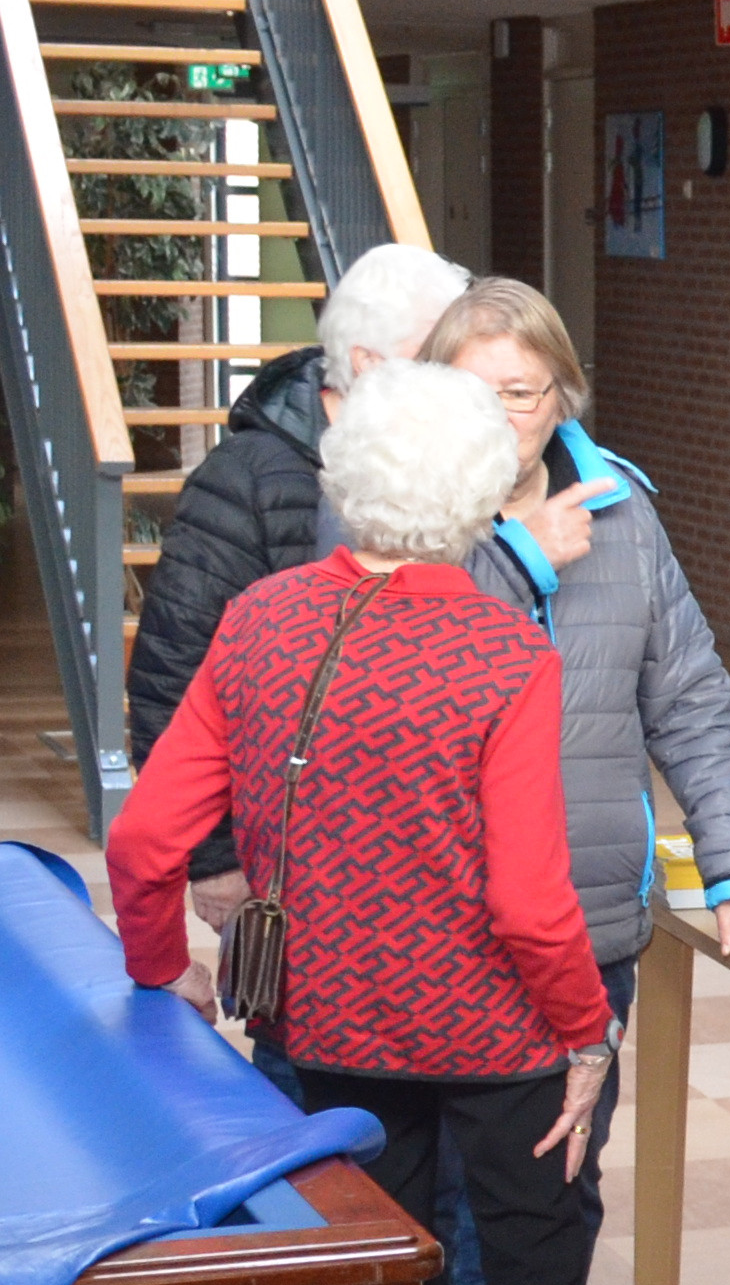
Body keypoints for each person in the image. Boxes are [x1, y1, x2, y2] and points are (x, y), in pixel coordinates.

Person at [106, 358, 670, 1285]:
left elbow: (143, 841)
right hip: (498, 1033)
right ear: (482, 494)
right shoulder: (504, 651)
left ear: (347, 478)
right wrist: (583, 1032)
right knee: (536, 1278)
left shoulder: (261, 621)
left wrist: (161, 966)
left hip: (326, 1024)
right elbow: (529, 899)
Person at [417, 279, 730, 1285]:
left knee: (562, 1174)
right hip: (438, 917)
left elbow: (686, 695)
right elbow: (408, 674)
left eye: (521, 393)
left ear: (562, 398)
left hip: (584, 914)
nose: (498, 418)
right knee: (440, 1174)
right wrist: (521, 556)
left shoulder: (622, 514)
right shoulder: (401, 512)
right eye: (471, 395)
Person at [127, 240, 475, 895]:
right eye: (437, 353)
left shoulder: (451, 461)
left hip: (413, 859)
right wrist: (213, 859)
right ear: (367, 362)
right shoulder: (247, 477)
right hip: (279, 857)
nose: (458, 374)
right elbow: (172, 671)